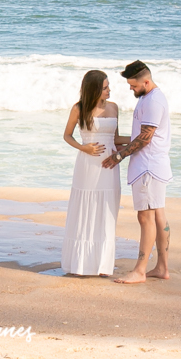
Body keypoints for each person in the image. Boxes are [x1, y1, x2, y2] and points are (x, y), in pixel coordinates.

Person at [102, 60, 172, 284]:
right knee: (159, 216)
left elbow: (145, 137)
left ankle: (140, 270)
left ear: (146, 81)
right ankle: (161, 268)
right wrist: (120, 143)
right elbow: (141, 137)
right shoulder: (149, 98)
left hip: (148, 167)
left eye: (134, 86)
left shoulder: (153, 101)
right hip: (153, 163)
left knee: (146, 217)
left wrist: (119, 156)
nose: (131, 89)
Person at [60, 70, 122, 276]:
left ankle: (103, 264)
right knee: (85, 208)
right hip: (87, 165)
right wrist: (83, 147)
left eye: (108, 86)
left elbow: (117, 138)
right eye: (105, 87)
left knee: (106, 209)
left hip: (109, 167)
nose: (109, 90)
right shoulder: (79, 108)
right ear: (94, 89)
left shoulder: (113, 108)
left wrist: (144, 138)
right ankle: (80, 263)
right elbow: (67, 136)